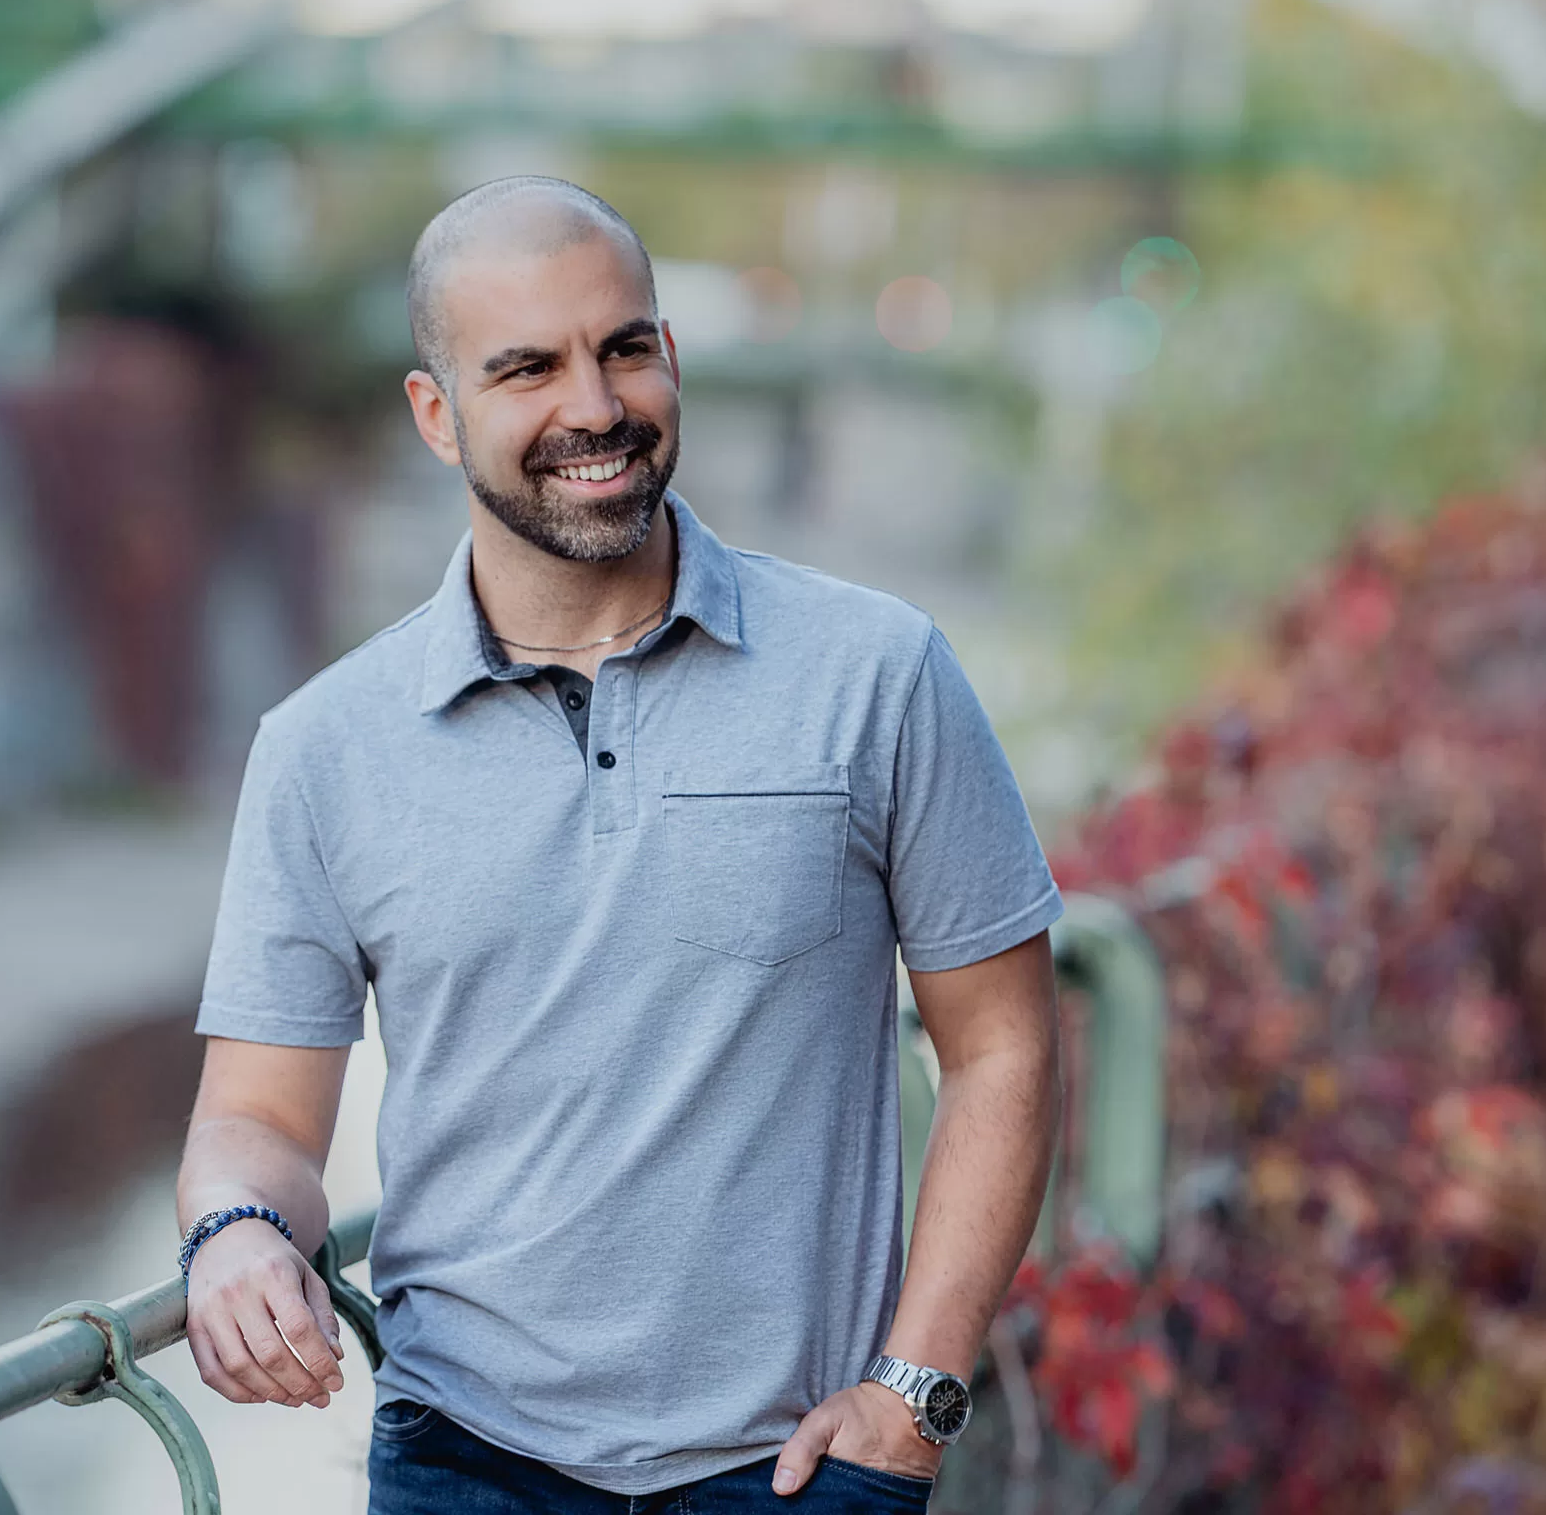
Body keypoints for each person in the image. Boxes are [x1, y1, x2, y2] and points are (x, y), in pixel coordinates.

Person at [175, 176, 1063, 1513]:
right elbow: (255, 1118)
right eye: (526, 367)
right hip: (464, 1466)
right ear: (438, 414)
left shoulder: (877, 673)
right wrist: (238, 1234)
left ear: (670, 356)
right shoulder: (323, 747)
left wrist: (918, 1391)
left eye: (625, 348)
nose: (593, 406)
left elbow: (1002, 1044)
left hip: (797, 1474)